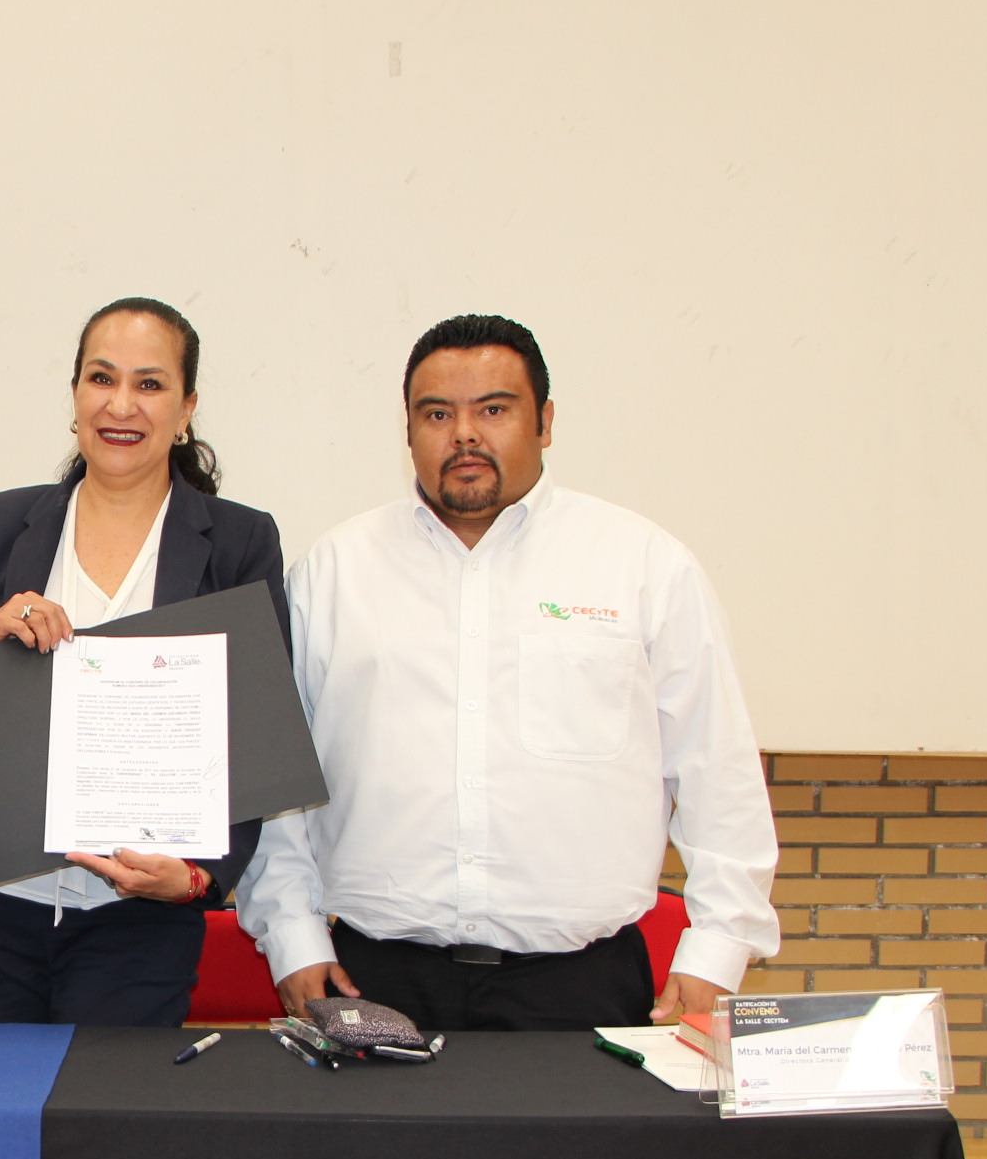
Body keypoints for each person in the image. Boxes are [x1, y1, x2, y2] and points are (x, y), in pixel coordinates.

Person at [236, 313, 777, 1032]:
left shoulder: (643, 566)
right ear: (407, 432)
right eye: (437, 413)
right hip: (375, 976)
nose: (464, 434)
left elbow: (717, 770)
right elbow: (278, 783)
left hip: (581, 987)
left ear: (545, 422)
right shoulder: (334, 573)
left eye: (494, 409)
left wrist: (716, 949)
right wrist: (291, 935)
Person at [0, 298, 288, 1025]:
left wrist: (197, 879)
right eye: (100, 378)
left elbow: (260, 734)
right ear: (75, 396)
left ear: (187, 409)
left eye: (150, 385)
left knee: (110, 1127)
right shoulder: (3, 522)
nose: (121, 404)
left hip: (138, 916)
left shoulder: (240, 542)